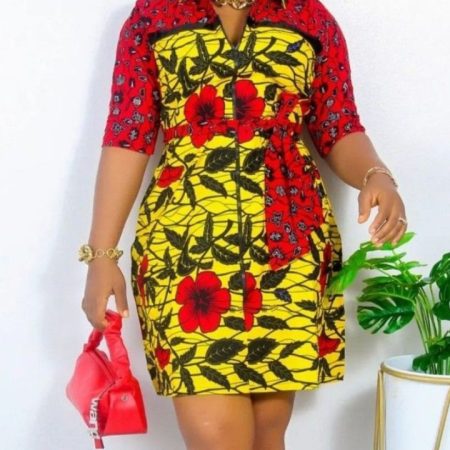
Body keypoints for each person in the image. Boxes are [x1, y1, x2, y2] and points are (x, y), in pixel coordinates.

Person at [80, 0, 407, 449]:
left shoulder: (309, 18)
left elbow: (338, 124)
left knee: (267, 432)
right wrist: (101, 255)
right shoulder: (154, 16)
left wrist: (376, 175)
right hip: (185, 248)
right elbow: (128, 133)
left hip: (288, 245)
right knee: (216, 435)